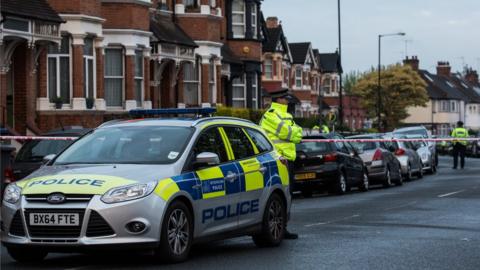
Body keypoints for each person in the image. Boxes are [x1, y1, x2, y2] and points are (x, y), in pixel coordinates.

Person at [260, 94, 303, 240]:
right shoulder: (270, 115)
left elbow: (298, 134)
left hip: (288, 160)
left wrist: (295, 133)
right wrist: (294, 133)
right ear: (278, 99)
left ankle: (282, 227)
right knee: (280, 195)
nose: (287, 100)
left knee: (288, 195)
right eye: (285, 97)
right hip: (278, 161)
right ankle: (278, 228)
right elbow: (290, 133)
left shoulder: (286, 115)